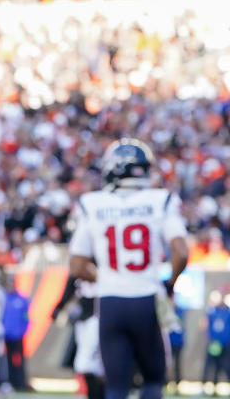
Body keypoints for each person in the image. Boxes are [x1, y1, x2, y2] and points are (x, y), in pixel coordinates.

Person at [68, 138, 189, 399]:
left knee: (115, 387)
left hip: (110, 301)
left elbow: (77, 265)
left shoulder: (93, 203)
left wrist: (109, 278)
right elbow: (181, 252)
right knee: (153, 379)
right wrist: (168, 285)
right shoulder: (161, 200)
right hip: (146, 298)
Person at [51, 275, 103, 399]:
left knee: (90, 363)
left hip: (98, 318)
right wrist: (59, 307)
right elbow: (70, 288)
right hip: (83, 319)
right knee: (85, 363)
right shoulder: (78, 271)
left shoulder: (102, 266)